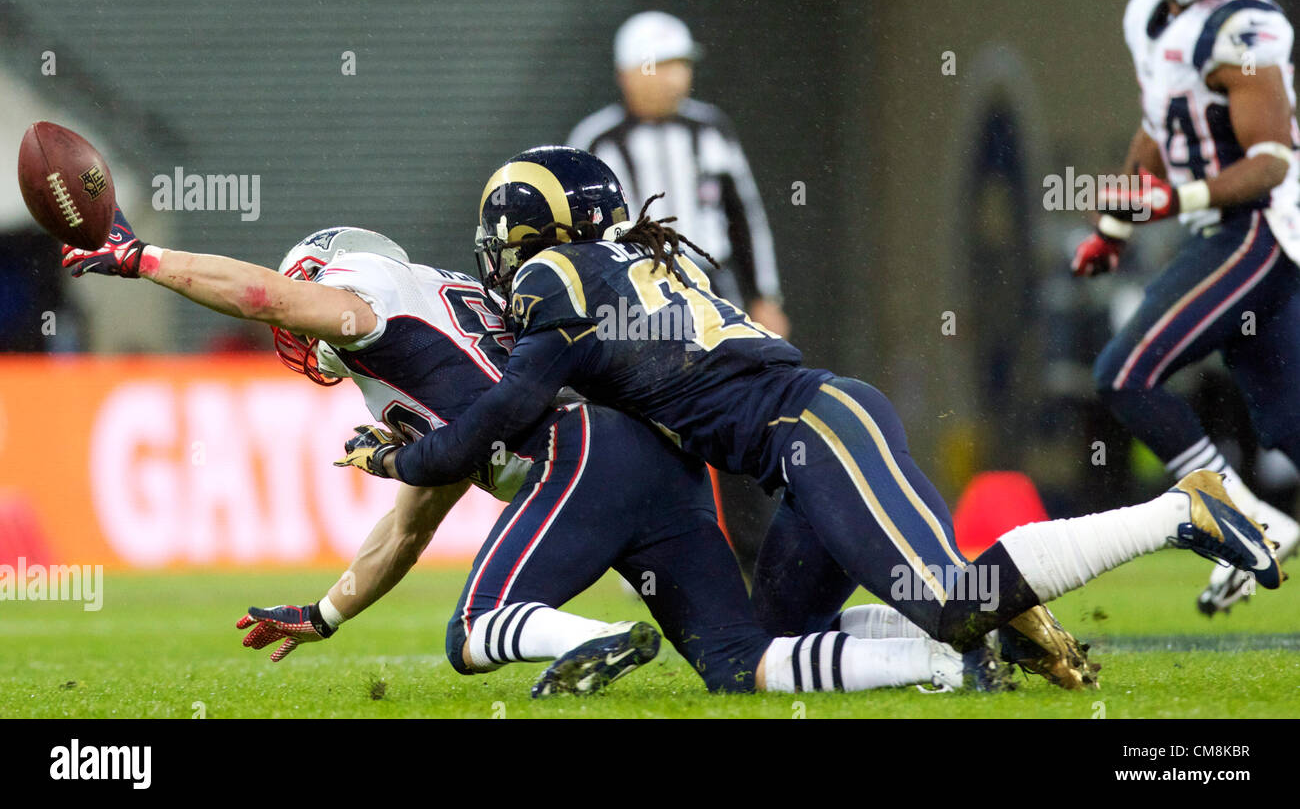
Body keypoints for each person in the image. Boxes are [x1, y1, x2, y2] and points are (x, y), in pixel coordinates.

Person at [344, 145, 1283, 690]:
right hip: (795, 447)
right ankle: (979, 655)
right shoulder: (631, 266)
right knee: (757, 649)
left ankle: (1182, 509)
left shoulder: (558, 276)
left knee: (943, 593)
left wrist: (404, 459)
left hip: (813, 427)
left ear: (534, 236)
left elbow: (509, 411)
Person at [61, 208, 1017, 696]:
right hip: (654, 459)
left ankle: (598, 642)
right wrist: (325, 611)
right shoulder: (424, 333)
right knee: (739, 664)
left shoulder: (364, 297)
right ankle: (943, 665)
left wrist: (142, 259)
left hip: (581, 451)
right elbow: (413, 517)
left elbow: (260, 295)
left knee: (475, 633)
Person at [1072, 0, 1300, 614]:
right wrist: (1111, 229)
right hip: (1230, 227)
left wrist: (1177, 199)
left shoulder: (1246, 25)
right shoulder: (1146, 16)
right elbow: (1156, 130)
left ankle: (1249, 523)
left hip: (1261, 223)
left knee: (1123, 371)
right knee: (1292, 423)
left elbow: (1270, 161)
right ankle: (1254, 518)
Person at [567, 11, 787, 573]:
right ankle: (642, 545)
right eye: (664, 65)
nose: (675, 78)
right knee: (642, 421)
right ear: (628, 72)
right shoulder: (595, 141)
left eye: (681, 65)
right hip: (637, 303)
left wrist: (765, 296)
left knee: (739, 411)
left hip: (714, 297)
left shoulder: (710, 130)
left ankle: (755, 547)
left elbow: (745, 216)